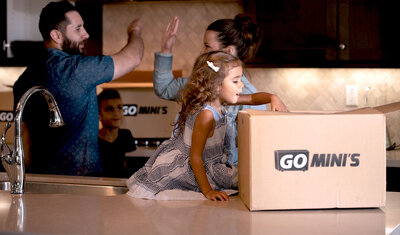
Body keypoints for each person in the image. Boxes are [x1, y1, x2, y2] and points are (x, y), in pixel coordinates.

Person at [12, 0, 144, 176]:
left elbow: (24, 140)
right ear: (56, 36)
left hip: (41, 182)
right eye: (78, 29)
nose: (86, 34)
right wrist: (134, 32)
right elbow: (133, 57)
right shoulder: (76, 70)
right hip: (81, 183)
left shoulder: (23, 80)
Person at [128, 51, 278, 201]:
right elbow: (195, 158)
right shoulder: (206, 115)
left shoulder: (218, 101)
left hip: (208, 164)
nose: (241, 85)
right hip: (191, 168)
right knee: (247, 178)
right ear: (217, 85)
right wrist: (208, 191)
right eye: (235, 81)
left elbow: (252, 98)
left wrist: (273, 98)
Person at [153, 15, 288, 165]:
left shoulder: (244, 95)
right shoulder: (200, 84)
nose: (201, 52)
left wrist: (272, 97)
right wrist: (166, 49)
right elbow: (164, 89)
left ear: (228, 51)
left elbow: (256, 151)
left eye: (207, 46)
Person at [98, 89, 136, 178]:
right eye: (109, 109)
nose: (116, 113)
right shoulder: (94, 140)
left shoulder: (126, 135)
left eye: (119, 108)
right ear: (99, 114)